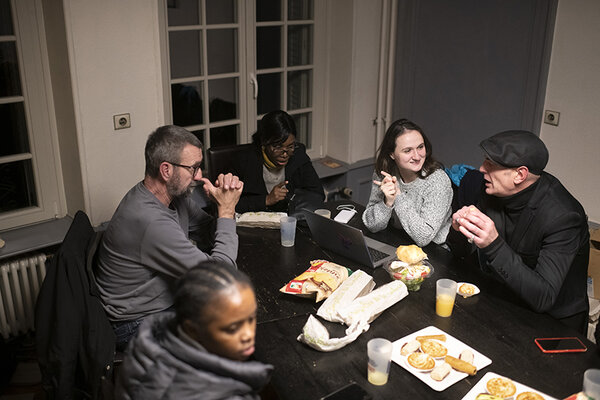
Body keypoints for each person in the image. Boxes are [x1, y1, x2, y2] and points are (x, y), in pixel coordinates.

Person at [95, 125, 243, 350]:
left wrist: (219, 203)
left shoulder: (171, 197)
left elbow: (208, 230)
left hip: (159, 302)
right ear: (166, 170)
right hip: (134, 322)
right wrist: (226, 211)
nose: (199, 176)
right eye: (193, 168)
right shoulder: (149, 220)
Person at [451, 130, 589, 334]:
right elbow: (463, 253)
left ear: (520, 175)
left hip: (554, 325)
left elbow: (544, 297)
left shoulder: (564, 216)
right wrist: (458, 229)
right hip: (506, 304)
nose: (481, 168)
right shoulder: (491, 188)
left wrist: (494, 245)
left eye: (491, 164)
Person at [116, 261, 273, 400]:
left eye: (251, 319)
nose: (248, 335)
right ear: (192, 329)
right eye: (232, 329)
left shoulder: (149, 342)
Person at [362, 119, 453, 247]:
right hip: (398, 241)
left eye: (420, 147)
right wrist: (387, 203)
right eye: (407, 150)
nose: (417, 156)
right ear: (392, 154)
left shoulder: (437, 180)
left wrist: (397, 195)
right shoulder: (385, 173)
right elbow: (371, 225)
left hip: (435, 250)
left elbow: (424, 237)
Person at [233, 110, 325, 213]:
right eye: (277, 147)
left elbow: (318, 194)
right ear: (264, 141)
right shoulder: (244, 160)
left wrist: (291, 200)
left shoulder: (298, 155)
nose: (285, 154)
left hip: (291, 221)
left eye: (290, 147)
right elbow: (228, 203)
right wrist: (267, 200)